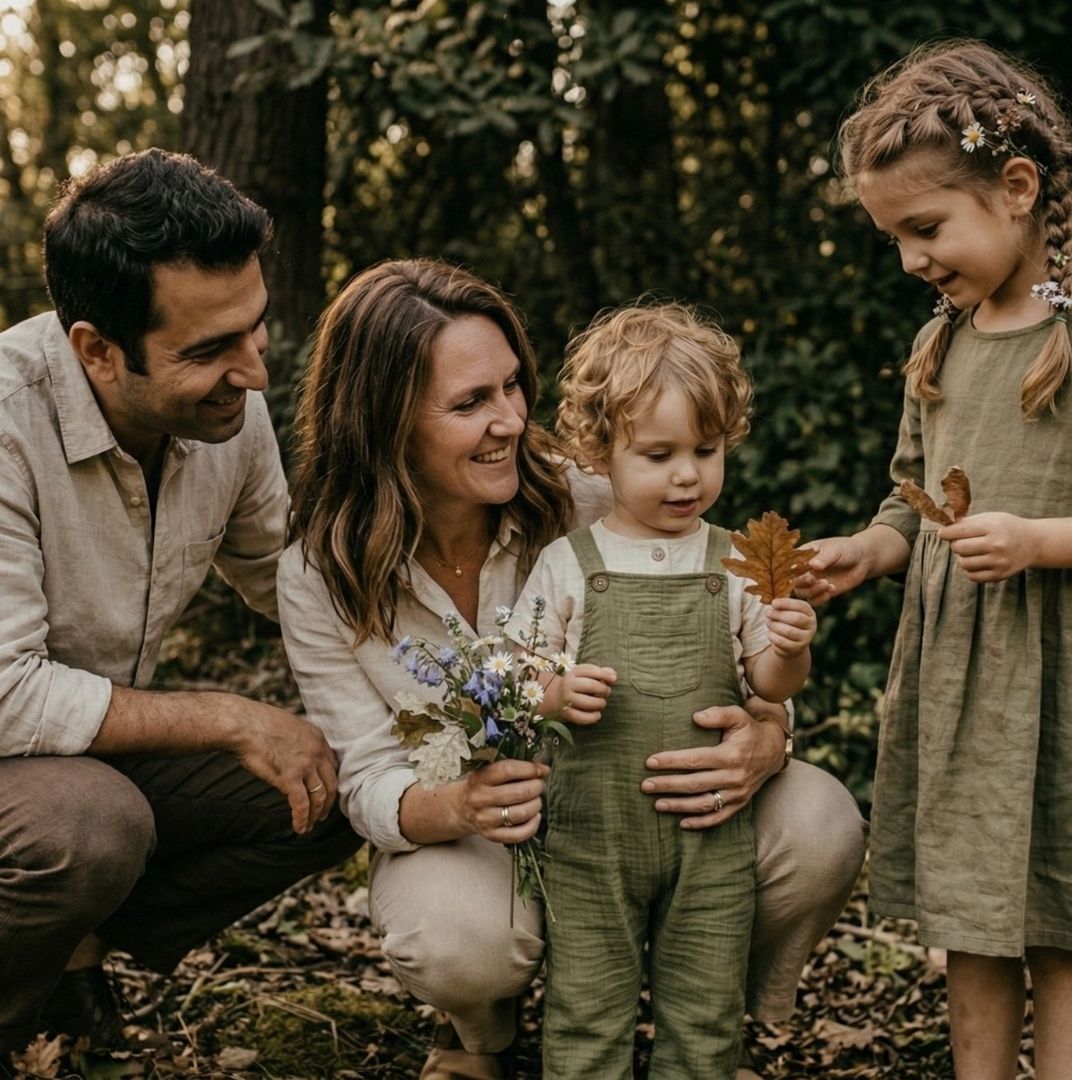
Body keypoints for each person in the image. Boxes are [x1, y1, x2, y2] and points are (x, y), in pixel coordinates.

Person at [277, 257, 865, 1080]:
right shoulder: (321, 572)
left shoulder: (597, 496)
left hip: (648, 798)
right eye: (470, 403)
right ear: (387, 419)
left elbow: (730, 646)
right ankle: (479, 1031)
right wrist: (459, 804)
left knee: (821, 820)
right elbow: (368, 775)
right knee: (459, 942)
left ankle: (699, 1004)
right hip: (486, 833)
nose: (513, 421)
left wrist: (768, 732)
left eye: (513, 385)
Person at [0, 149, 360, 1060]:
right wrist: (228, 717)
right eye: (209, 351)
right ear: (96, 349)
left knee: (346, 781)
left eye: (256, 330)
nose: (256, 373)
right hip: (28, 770)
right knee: (88, 829)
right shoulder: (7, 420)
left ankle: (63, 953)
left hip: (87, 761)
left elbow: (293, 580)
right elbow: (7, 697)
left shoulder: (221, 414)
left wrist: (475, 661)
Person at [800, 40, 1072, 1080]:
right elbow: (909, 498)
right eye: (894, 239)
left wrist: (1039, 540)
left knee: (1064, 908)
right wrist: (871, 552)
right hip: (968, 683)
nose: (912, 260)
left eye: (925, 228)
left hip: (1067, 673)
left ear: (1015, 188)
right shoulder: (943, 346)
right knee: (972, 907)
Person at [505, 301, 817, 1078]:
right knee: (586, 1008)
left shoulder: (738, 559)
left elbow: (768, 690)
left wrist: (789, 650)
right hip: (589, 838)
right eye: (657, 454)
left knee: (705, 1012)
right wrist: (552, 694)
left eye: (705, 450)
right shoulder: (570, 562)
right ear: (599, 450)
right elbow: (517, 665)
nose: (687, 474)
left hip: (710, 836)